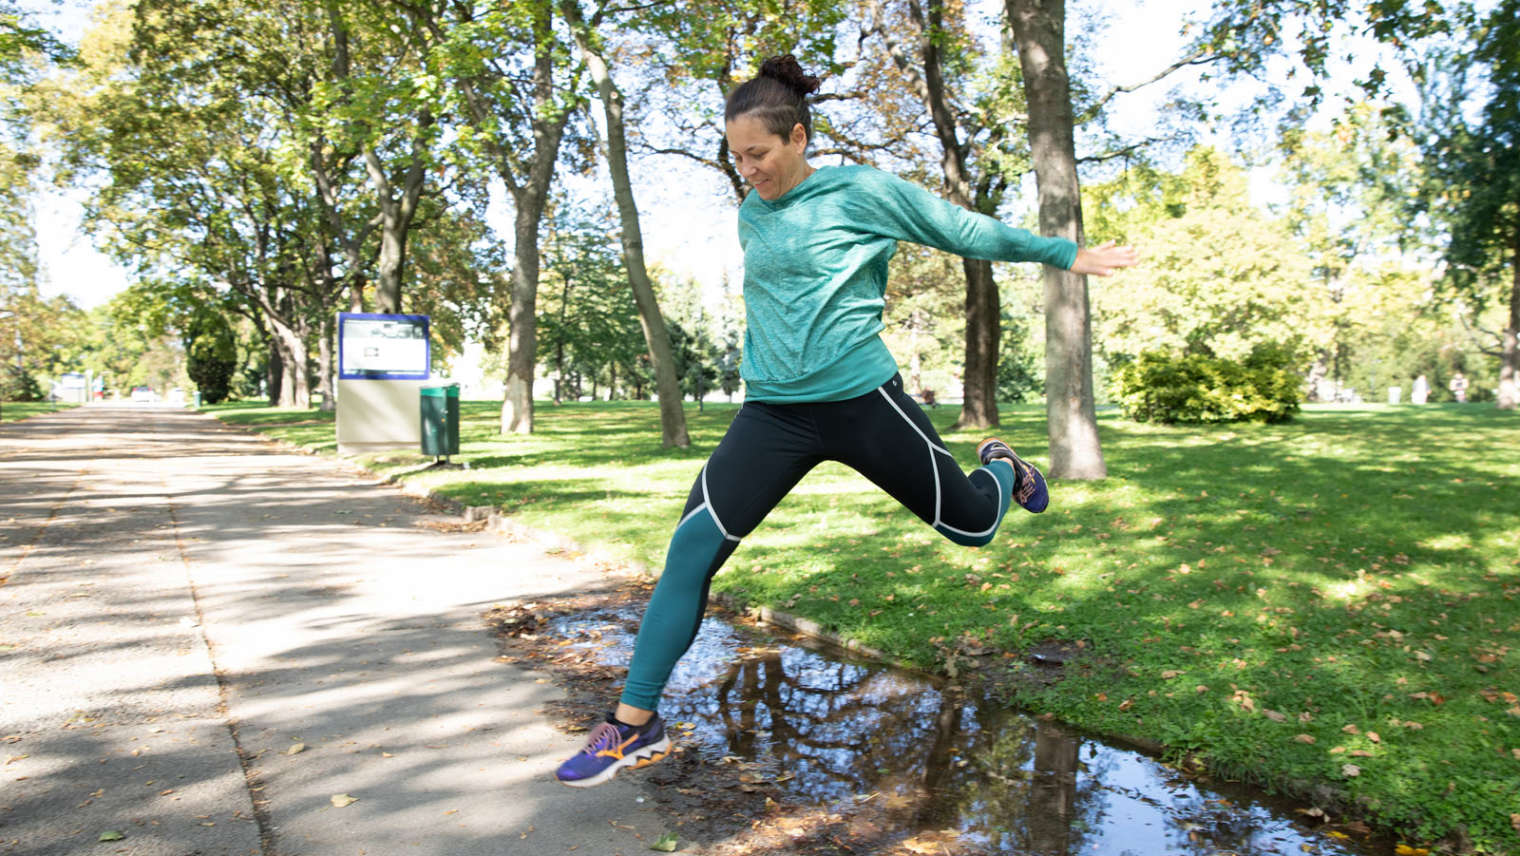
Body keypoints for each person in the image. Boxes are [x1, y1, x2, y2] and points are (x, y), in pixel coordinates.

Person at [553, 55, 1140, 788]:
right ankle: (633, 723)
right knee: (690, 548)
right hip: (772, 415)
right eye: (737, 158)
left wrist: (1063, 252)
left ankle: (1002, 466)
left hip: (863, 401)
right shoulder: (748, 213)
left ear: (797, 137)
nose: (748, 171)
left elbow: (961, 229)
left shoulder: (860, 192)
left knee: (971, 526)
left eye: (758, 154)